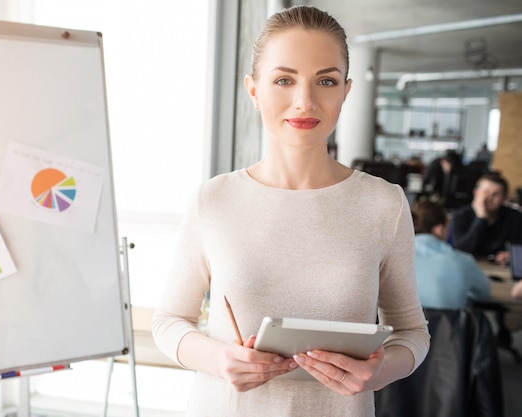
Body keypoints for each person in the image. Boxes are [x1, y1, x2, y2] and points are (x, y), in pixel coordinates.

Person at [152, 6, 429, 417]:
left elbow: (412, 332)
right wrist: (220, 359)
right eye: (284, 79)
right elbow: (169, 322)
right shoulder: (214, 199)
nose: (305, 101)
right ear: (254, 91)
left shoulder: (383, 203)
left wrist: (382, 370)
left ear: (346, 91)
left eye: (326, 81)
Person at [412, 200, 491, 309]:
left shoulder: (392, 258)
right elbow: (484, 294)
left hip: (399, 325)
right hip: (449, 325)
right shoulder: (463, 261)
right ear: (439, 230)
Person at [450, 172, 522, 266]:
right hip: (468, 268)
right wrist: (481, 218)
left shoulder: (515, 217)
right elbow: (462, 250)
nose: (489, 198)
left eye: (495, 194)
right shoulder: (460, 215)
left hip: (502, 271)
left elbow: (519, 248)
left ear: (504, 199)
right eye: (485, 192)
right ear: (476, 193)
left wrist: (512, 255)